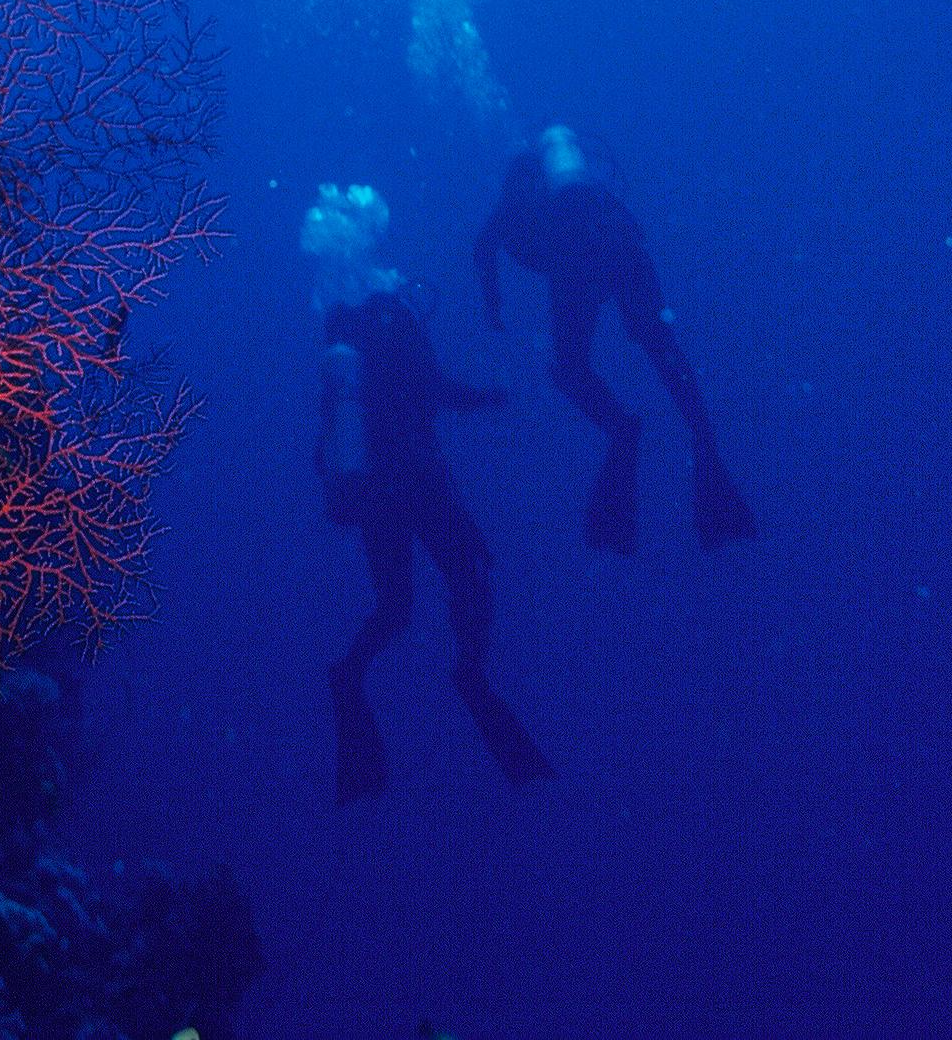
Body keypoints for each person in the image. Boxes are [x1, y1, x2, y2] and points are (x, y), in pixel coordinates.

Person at [303, 184, 552, 803]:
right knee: (470, 572)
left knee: (395, 607)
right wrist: (494, 397)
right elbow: (436, 391)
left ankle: (349, 673)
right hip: (420, 479)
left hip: (372, 491)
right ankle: (470, 673)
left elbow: (338, 426)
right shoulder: (397, 320)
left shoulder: (345, 343)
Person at [475, 124, 756, 554]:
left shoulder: (514, 199)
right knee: (660, 347)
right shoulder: (583, 188)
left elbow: (483, 249)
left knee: (570, 370)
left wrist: (494, 306)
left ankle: (622, 430)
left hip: (575, 262)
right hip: (619, 242)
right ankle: (704, 444)